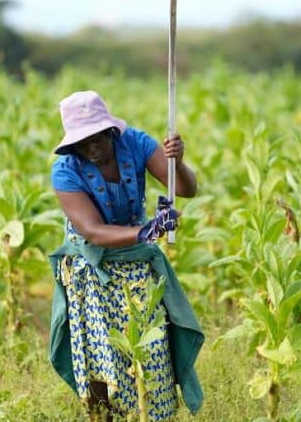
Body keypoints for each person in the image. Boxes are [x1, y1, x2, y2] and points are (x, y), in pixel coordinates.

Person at [48, 90, 204, 421]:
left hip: (136, 262)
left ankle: (153, 415)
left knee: (152, 347)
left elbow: (186, 189)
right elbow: (92, 231)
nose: (90, 147)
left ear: (110, 131)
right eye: (81, 142)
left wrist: (178, 161)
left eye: (96, 139)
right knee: (102, 355)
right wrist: (147, 232)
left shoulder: (135, 143)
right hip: (93, 267)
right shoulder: (65, 170)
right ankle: (103, 417)